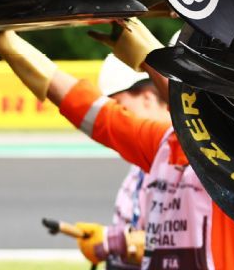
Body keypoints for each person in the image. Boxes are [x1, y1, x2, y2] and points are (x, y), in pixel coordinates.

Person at [0, 20, 234, 270]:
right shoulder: (162, 143)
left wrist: (151, 59)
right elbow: (92, 111)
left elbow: (204, 118)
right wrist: (11, 48)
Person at [66, 54, 170, 269]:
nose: (115, 118)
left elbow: (182, 239)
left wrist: (113, 241)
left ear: (148, 98)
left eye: (120, 107)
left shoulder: (182, 161)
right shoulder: (143, 160)